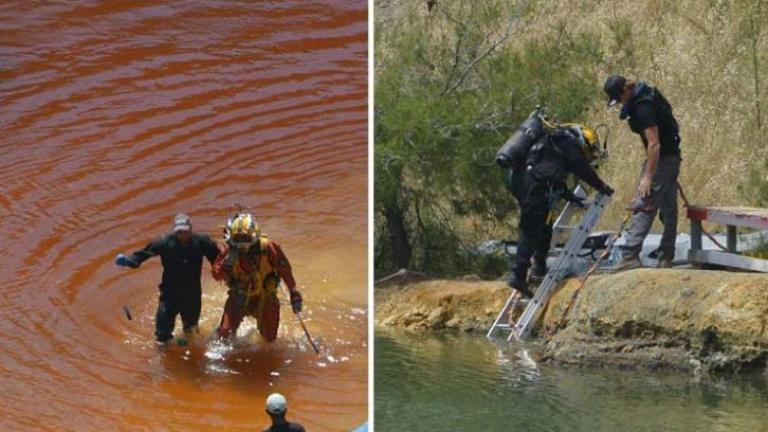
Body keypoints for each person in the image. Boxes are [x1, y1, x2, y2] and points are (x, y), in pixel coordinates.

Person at [507, 125, 613, 298]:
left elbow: (551, 173)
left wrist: (570, 196)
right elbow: (581, 167)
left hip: (525, 182)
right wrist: (601, 186)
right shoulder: (566, 141)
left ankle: (538, 268)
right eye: (588, 149)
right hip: (533, 186)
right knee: (530, 229)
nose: (587, 154)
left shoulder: (552, 143)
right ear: (583, 140)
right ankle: (518, 275)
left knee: (545, 227)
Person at [603, 75, 682, 270]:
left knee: (645, 203)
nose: (621, 102)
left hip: (662, 159)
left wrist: (648, 176)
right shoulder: (646, 93)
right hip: (671, 157)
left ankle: (630, 255)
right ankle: (666, 257)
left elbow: (654, 144)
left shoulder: (643, 107)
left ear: (625, 91)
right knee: (669, 208)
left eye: (619, 98)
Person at [115, 214, 220, 344]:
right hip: (170, 293)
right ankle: (163, 357)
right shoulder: (164, 242)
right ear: (175, 231)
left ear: (191, 229)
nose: (183, 235)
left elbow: (217, 258)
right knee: (162, 333)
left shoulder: (202, 242)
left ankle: (188, 351)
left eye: (185, 231)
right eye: (179, 232)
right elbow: (144, 253)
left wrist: (227, 271)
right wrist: (128, 261)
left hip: (192, 293)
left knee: (191, 329)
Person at [212, 213, 303, 341]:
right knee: (225, 335)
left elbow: (285, 271)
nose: (242, 243)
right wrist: (226, 263)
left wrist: (294, 293)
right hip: (238, 296)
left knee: (269, 340)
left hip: (265, 298)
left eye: (246, 238)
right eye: (238, 238)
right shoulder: (227, 250)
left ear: (255, 235)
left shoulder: (269, 248)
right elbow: (216, 275)